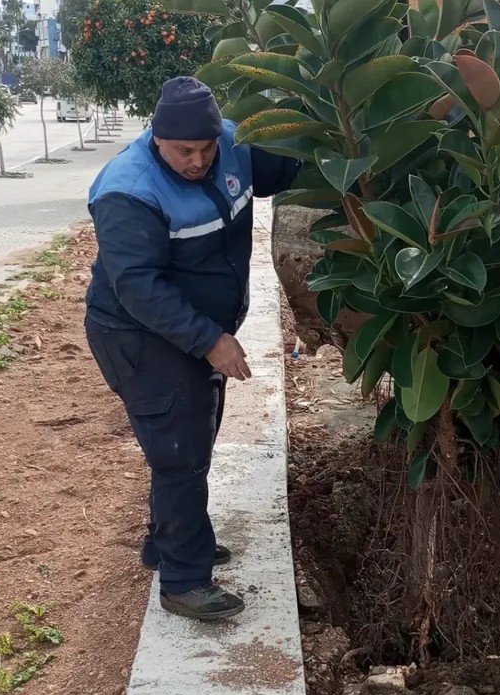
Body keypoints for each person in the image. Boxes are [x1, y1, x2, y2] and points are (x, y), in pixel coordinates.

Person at [83, 77, 300, 621]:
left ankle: (167, 543)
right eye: (184, 152)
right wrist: (210, 341)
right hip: (136, 333)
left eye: (206, 148)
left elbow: (287, 168)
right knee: (180, 452)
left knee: (190, 439)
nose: (198, 161)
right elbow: (138, 288)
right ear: (156, 137)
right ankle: (184, 580)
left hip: (191, 329)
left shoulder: (231, 143)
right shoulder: (128, 191)